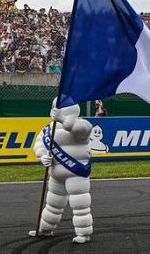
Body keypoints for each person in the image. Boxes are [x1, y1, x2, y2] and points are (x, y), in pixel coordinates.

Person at [29, 98, 93, 244]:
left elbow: (80, 131)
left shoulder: (82, 124)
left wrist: (63, 120)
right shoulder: (48, 129)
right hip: (56, 173)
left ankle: (84, 233)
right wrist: (42, 156)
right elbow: (39, 144)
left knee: (80, 203)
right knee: (52, 203)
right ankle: (45, 228)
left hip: (76, 173)